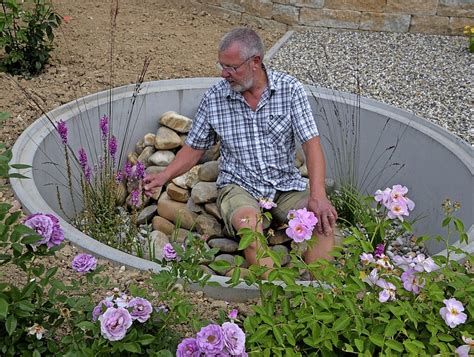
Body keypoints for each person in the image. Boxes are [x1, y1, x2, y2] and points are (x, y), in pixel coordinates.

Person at [144, 27, 337, 273]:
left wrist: (318, 195)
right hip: (238, 187)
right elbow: (194, 149)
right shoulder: (215, 98)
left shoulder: (290, 90)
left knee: (320, 222)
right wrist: (163, 176)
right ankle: (274, 293)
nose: (224, 74)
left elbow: (312, 145)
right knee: (249, 225)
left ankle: (320, 293)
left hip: (285, 185)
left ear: (255, 62)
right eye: (221, 66)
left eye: (232, 67)